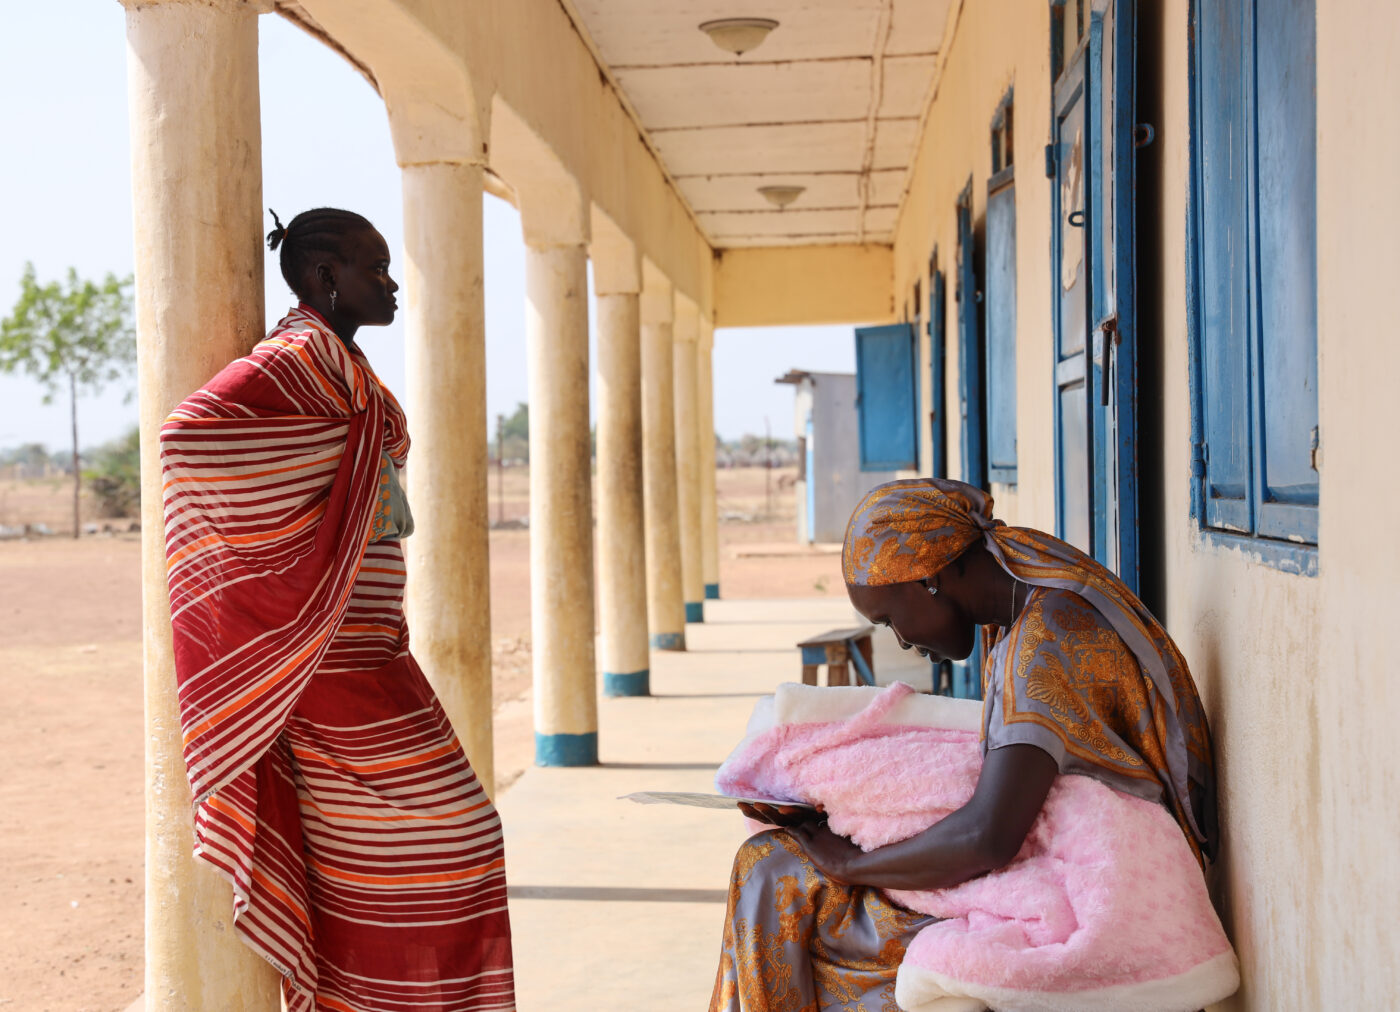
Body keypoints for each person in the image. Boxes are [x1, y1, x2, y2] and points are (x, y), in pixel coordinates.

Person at [160, 208, 514, 1012]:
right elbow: (190, 439)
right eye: (375, 268)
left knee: (419, 854)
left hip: (380, 658)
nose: (391, 285)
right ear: (326, 278)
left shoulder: (349, 369)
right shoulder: (294, 362)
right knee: (452, 842)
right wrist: (314, 478)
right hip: (323, 670)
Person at [710, 477, 1218, 1011]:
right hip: (1069, 860)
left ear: (929, 578)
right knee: (776, 863)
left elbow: (987, 836)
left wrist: (851, 866)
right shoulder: (1032, 614)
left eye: (889, 620)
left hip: (1095, 894)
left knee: (780, 876)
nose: (902, 640)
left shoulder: (1046, 641)